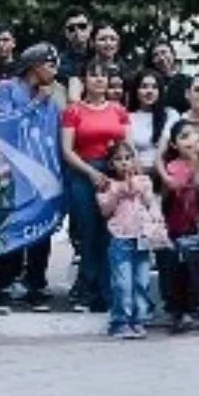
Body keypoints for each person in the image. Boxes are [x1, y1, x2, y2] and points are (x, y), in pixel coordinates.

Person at [0, 43, 62, 312]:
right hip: (10, 172)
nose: (54, 71)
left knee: (40, 229)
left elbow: (53, 137)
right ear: (35, 66)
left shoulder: (52, 100)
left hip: (41, 173)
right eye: (50, 65)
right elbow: (2, 126)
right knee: (11, 226)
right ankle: (6, 283)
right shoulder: (6, 90)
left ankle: (36, 283)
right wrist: (34, 104)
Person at [62, 59, 131, 313]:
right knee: (88, 233)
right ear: (84, 80)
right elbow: (67, 150)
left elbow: (127, 147)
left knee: (111, 233)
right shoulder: (73, 111)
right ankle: (87, 289)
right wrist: (91, 172)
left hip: (114, 173)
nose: (99, 80)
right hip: (83, 173)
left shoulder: (118, 110)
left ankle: (109, 291)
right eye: (93, 75)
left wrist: (125, 176)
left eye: (103, 75)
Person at [97, 140, 170, 339]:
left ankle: (139, 319)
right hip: (120, 239)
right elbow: (105, 211)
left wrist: (153, 211)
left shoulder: (144, 181)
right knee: (123, 283)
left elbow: (151, 204)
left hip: (142, 238)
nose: (124, 163)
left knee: (142, 281)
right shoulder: (107, 184)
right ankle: (120, 322)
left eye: (128, 158)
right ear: (111, 164)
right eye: (118, 159)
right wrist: (117, 192)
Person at [157, 120, 199, 333]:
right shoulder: (173, 166)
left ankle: (196, 306)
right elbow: (173, 190)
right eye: (184, 136)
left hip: (198, 226)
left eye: (193, 135)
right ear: (174, 145)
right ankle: (178, 311)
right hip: (176, 225)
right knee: (178, 268)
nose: (190, 140)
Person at [147, 40, 192, 114]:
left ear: (173, 54)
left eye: (164, 52)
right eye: (156, 55)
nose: (161, 58)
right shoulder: (150, 82)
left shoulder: (187, 81)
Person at [57, 6, 93, 89]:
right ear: (65, 32)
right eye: (71, 28)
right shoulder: (58, 62)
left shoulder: (100, 55)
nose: (77, 31)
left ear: (90, 27)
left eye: (82, 26)